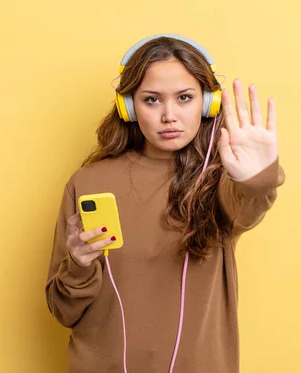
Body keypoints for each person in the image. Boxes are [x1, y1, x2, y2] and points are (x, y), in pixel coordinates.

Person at [45, 34, 285, 373]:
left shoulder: (221, 180)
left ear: (207, 104)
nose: (169, 115)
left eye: (184, 98)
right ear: (128, 106)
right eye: (152, 100)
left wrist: (255, 176)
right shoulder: (88, 183)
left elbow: (250, 207)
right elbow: (63, 311)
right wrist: (79, 264)